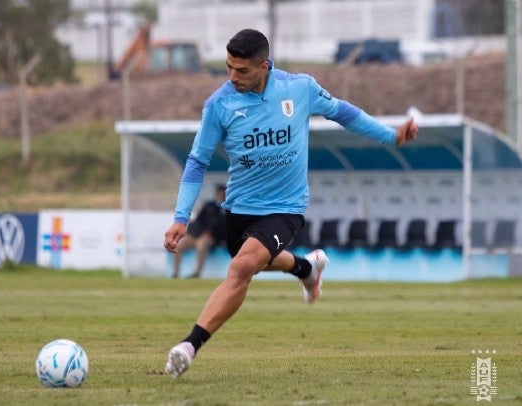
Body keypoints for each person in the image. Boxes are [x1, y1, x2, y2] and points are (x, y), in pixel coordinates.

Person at [163, 28, 417, 379]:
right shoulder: (219, 105)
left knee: (241, 268)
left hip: (285, 206)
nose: (232, 77)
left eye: (242, 71)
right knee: (252, 258)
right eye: (228, 68)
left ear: (264, 65)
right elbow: (197, 161)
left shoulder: (299, 88)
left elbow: (343, 113)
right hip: (239, 209)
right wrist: (181, 217)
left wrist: (390, 135)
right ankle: (305, 269)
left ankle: (189, 346)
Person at [172, 184, 227, 278]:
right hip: (196, 234)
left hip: (210, 237)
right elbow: (198, 219)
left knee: (202, 245)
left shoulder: (226, 209)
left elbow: (223, 227)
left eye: (223, 193)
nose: (221, 195)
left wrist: (210, 232)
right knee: (178, 245)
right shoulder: (208, 205)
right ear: (216, 193)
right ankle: (175, 273)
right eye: (219, 193)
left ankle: (197, 272)